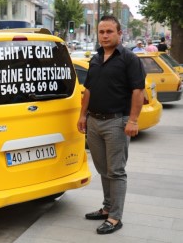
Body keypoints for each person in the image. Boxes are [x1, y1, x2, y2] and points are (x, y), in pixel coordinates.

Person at [77, 15, 146, 235]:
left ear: (119, 33)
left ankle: (115, 217)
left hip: (117, 122)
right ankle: (107, 208)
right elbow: (88, 90)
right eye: (101, 32)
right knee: (103, 169)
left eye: (109, 31)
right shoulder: (95, 58)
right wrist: (82, 116)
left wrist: (133, 120)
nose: (105, 35)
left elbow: (138, 91)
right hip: (94, 122)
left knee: (116, 171)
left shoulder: (129, 59)